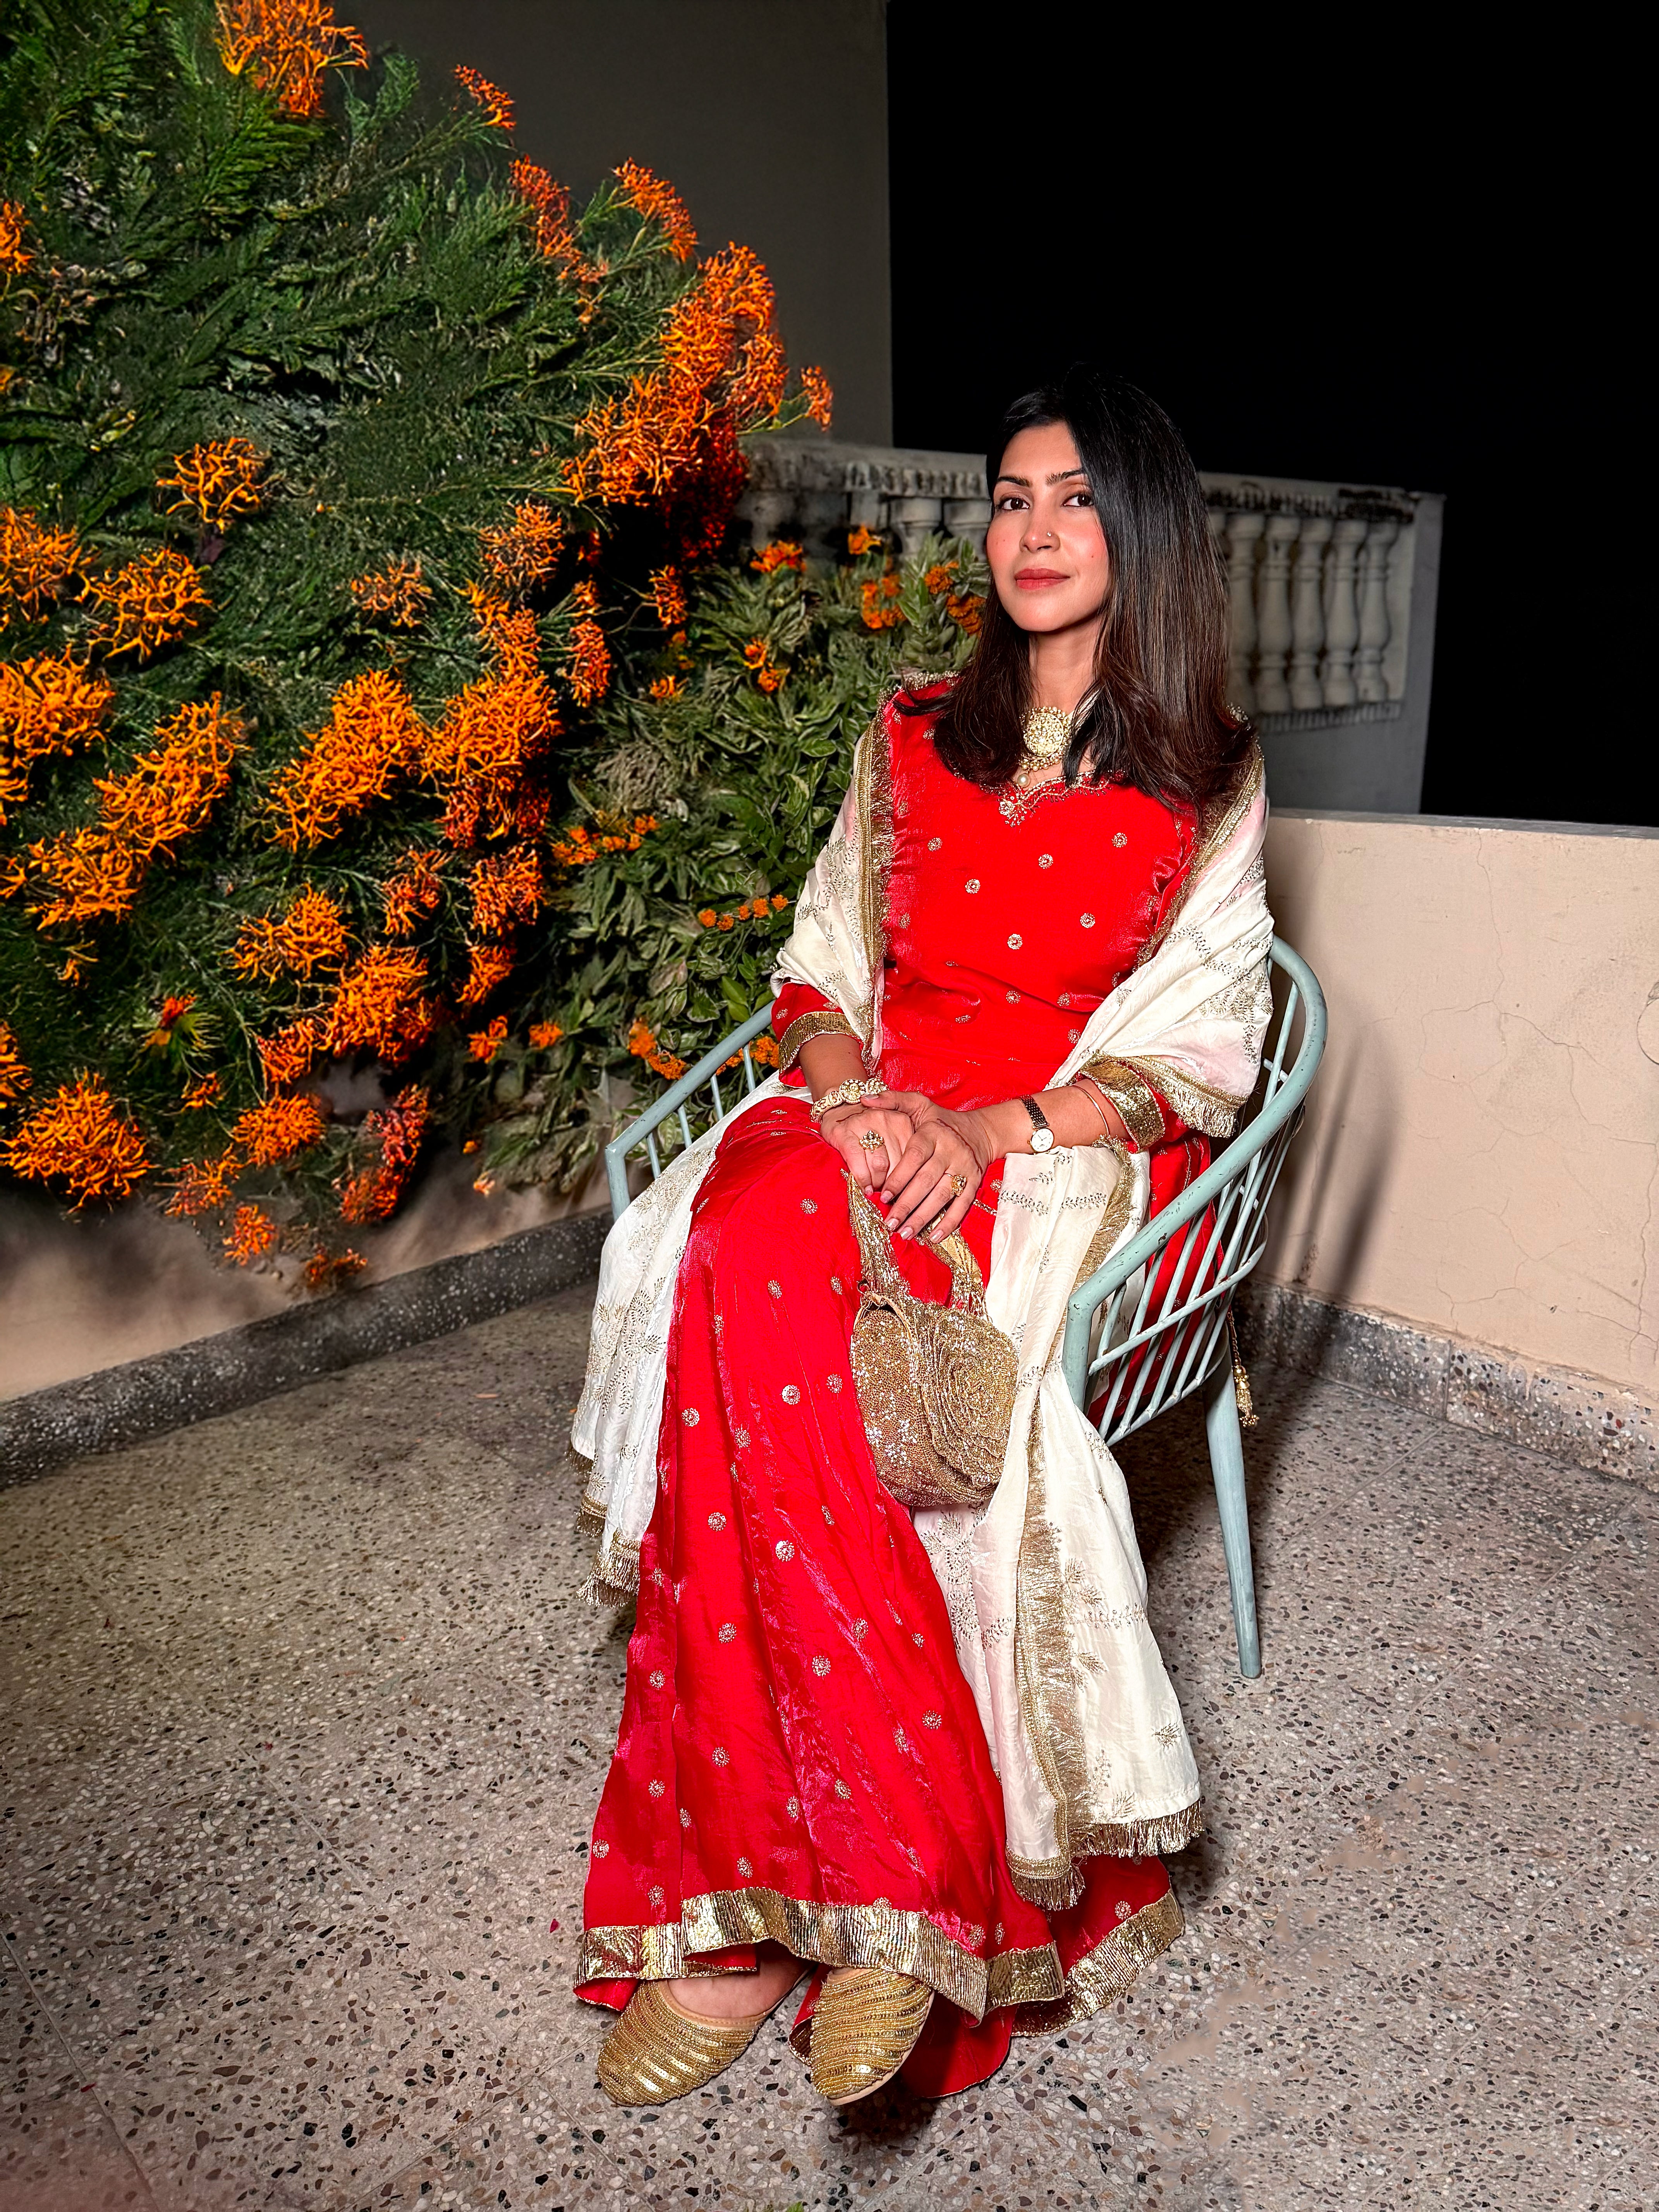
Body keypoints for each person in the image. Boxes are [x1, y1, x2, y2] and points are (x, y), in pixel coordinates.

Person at [571, 366, 1274, 2107]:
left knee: (818, 1329)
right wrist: (860, 1097)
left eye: (1078, 499)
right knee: (739, 1255)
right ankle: (864, 1890)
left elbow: (1201, 1043)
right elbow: (820, 974)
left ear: (1142, 525)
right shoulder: (906, 733)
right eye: (1014, 498)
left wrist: (989, 1133)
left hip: (1045, 1144)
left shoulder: (1206, 775)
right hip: (867, 1106)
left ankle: (770, 1931)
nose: (1037, 532)